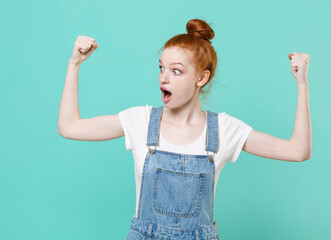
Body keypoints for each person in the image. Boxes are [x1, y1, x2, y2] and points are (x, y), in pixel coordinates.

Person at [58, 18, 312, 240]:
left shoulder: (224, 129)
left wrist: (302, 85)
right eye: (161, 68)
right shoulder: (140, 120)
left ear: (201, 78)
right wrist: (74, 65)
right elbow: (69, 127)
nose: (163, 78)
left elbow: (298, 151)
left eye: (176, 71)